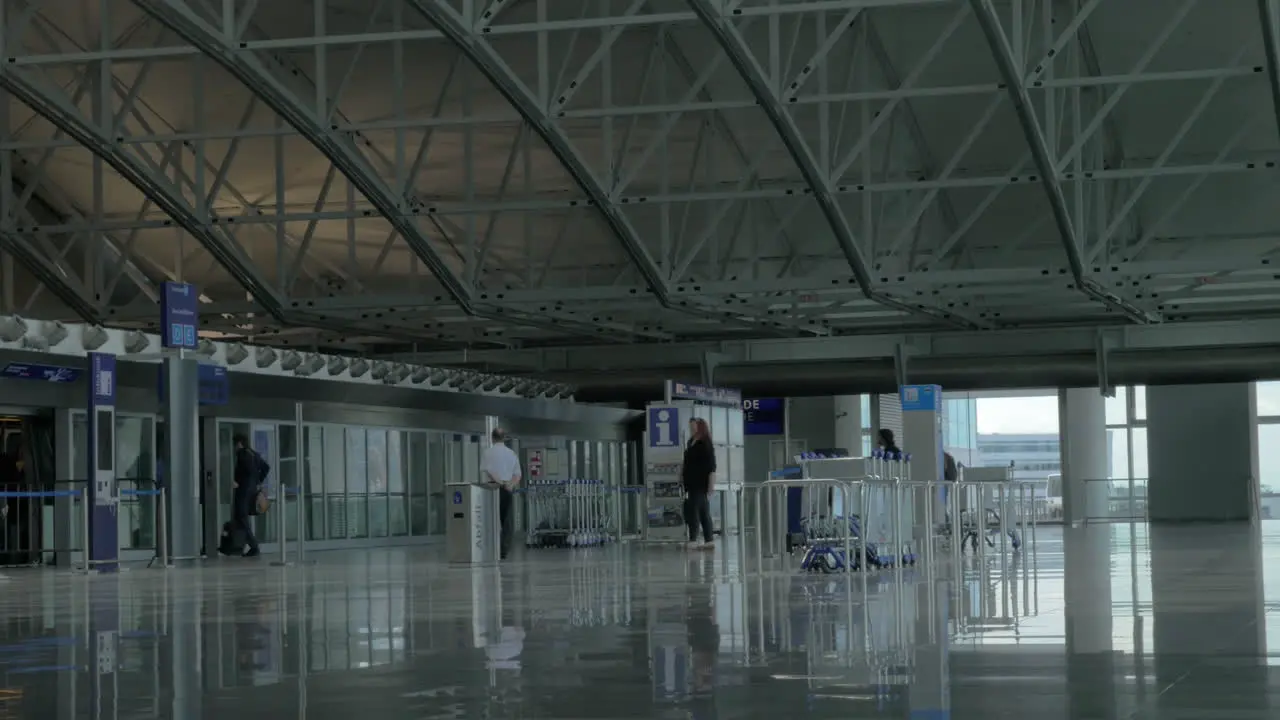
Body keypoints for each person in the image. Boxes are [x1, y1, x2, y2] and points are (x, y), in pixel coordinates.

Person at [481, 428, 522, 560]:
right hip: (507, 488)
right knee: (506, 521)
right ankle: (503, 550)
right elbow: (517, 475)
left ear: (492, 438)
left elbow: (488, 471)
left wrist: (498, 481)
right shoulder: (512, 453)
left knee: (490, 520)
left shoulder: (488, 453)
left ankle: (490, 547)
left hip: (492, 487)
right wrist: (510, 484)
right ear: (504, 438)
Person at [681, 418, 717, 550]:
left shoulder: (705, 443)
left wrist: (711, 484)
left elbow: (711, 466)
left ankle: (694, 538)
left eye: (693, 427)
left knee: (695, 510)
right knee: (702, 511)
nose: (691, 429)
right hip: (691, 482)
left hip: (700, 482)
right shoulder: (691, 442)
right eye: (690, 427)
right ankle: (708, 539)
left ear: (700, 427)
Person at [230, 434, 266, 558]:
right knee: (241, 518)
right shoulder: (254, 454)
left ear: (239, 443)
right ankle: (239, 545)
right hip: (251, 490)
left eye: (234, 444)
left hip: (243, 491)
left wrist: (238, 481)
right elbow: (266, 467)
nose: (234, 447)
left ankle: (253, 546)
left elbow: (246, 470)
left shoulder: (242, 454)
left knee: (241, 517)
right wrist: (257, 481)